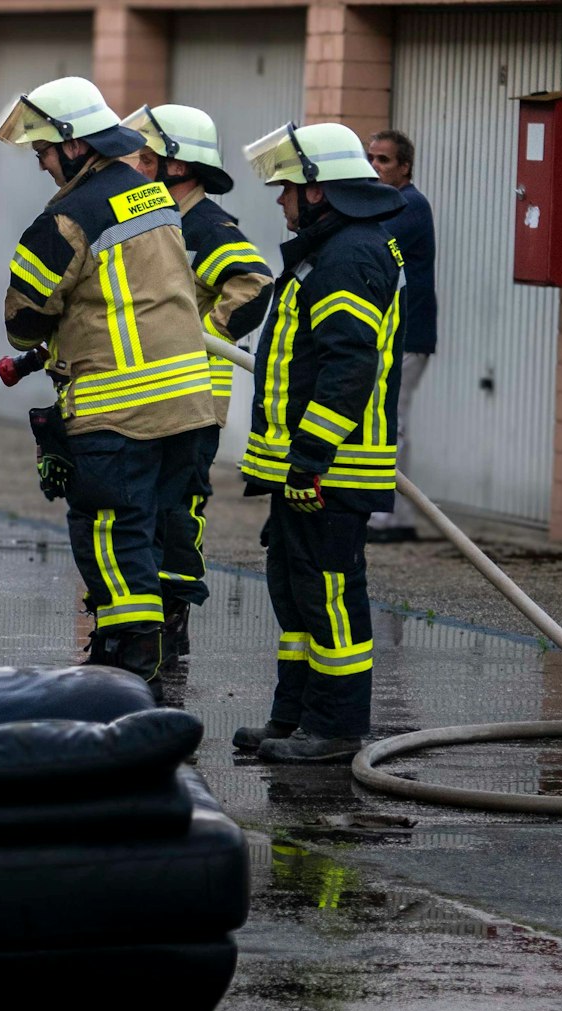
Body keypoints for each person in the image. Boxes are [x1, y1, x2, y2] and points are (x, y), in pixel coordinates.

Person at [0, 76, 219, 686]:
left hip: (118, 412)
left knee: (108, 531)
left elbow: (22, 321)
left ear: (75, 145)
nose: (41, 162)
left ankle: (125, 664)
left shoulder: (66, 218)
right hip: (187, 406)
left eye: (44, 149)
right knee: (151, 532)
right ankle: (146, 656)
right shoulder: (154, 197)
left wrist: (52, 329)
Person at [233, 121, 405, 763]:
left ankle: (335, 728)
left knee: (329, 594)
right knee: (298, 590)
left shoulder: (349, 255)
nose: (281, 200)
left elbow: (348, 367)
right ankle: (295, 717)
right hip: (306, 468)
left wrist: (309, 460)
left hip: (331, 468)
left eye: (287, 189)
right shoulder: (329, 248)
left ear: (319, 190)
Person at [123, 104, 274, 664]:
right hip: (156, 397)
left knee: (176, 511)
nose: (137, 167)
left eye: (147, 158)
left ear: (179, 166)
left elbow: (254, 281)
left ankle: (173, 623)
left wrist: (202, 333)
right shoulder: (156, 218)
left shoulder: (205, 225)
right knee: (145, 509)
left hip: (194, 402)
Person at [366, 128, 436, 543]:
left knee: (394, 421)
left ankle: (390, 517)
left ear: (404, 167)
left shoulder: (409, 205)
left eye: (384, 160)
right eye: (370, 158)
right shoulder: (389, 203)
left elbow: (375, 244)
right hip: (394, 331)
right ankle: (396, 514)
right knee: (389, 419)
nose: (374, 166)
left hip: (408, 332)